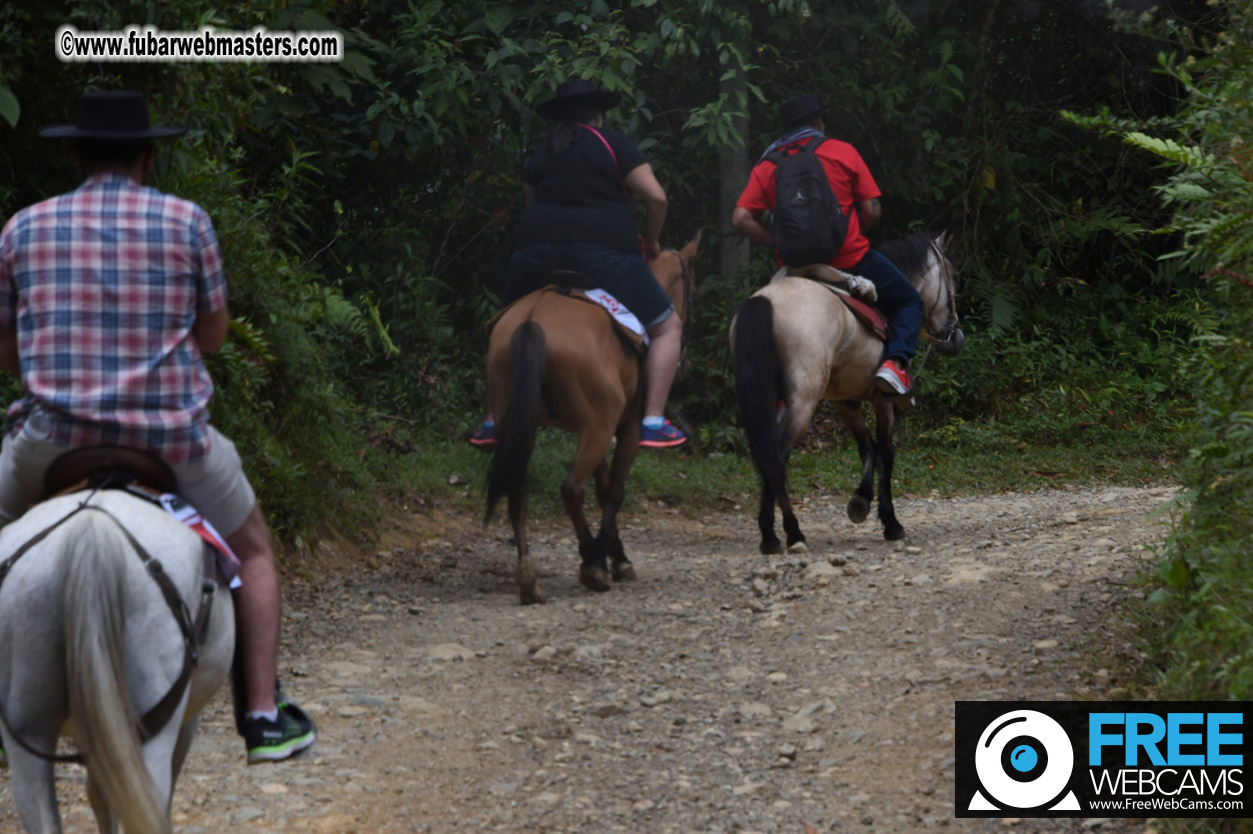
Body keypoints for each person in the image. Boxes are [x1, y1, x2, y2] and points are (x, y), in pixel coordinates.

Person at [0, 90, 315, 764]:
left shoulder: (23, 226)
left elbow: (5, 350)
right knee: (254, 552)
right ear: (148, 156)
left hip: (49, 441)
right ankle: (261, 715)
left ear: (78, 154)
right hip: (172, 444)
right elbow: (214, 335)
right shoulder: (187, 220)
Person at [470, 79, 687, 449]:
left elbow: (532, 202)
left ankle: (493, 419)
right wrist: (650, 242)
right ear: (597, 114)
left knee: (503, 324)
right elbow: (657, 198)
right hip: (605, 255)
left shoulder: (541, 153)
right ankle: (652, 420)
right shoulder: (614, 144)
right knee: (668, 327)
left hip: (535, 254)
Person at [731, 92, 923, 403]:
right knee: (910, 301)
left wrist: (776, 241)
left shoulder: (768, 163)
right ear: (815, 121)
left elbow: (740, 218)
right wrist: (849, 234)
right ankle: (896, 365)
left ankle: (778, 391)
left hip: (795, 267)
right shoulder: (841, 151)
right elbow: (871, 210)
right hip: (849, 259)